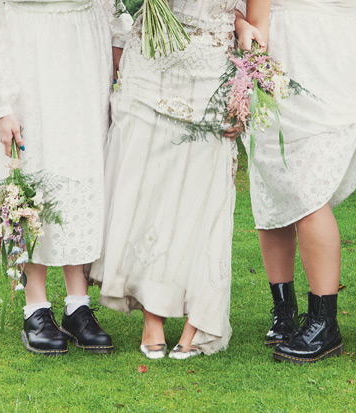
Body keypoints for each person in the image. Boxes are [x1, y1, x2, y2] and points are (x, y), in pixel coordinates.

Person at [0, 0, 132, 355]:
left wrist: (118, 45)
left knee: (81, 170)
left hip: (84, 54)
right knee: (34, 170)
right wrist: (2, 104)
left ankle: (78, 305)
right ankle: (36, 307)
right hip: (27, 54)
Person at [89, 0, 246, 360]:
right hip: (150, 60)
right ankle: (152, 314)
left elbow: (256, 23)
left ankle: (200, 317)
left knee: (201, 194)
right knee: (147, 187)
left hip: (211, 71)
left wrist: (244, 91)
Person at [235, 0, 356, 364]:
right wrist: (243, 30)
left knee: (308, 191)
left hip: (336, 69)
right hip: (275, 64)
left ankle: (324, 322)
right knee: (273, 187)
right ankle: (284, 312)